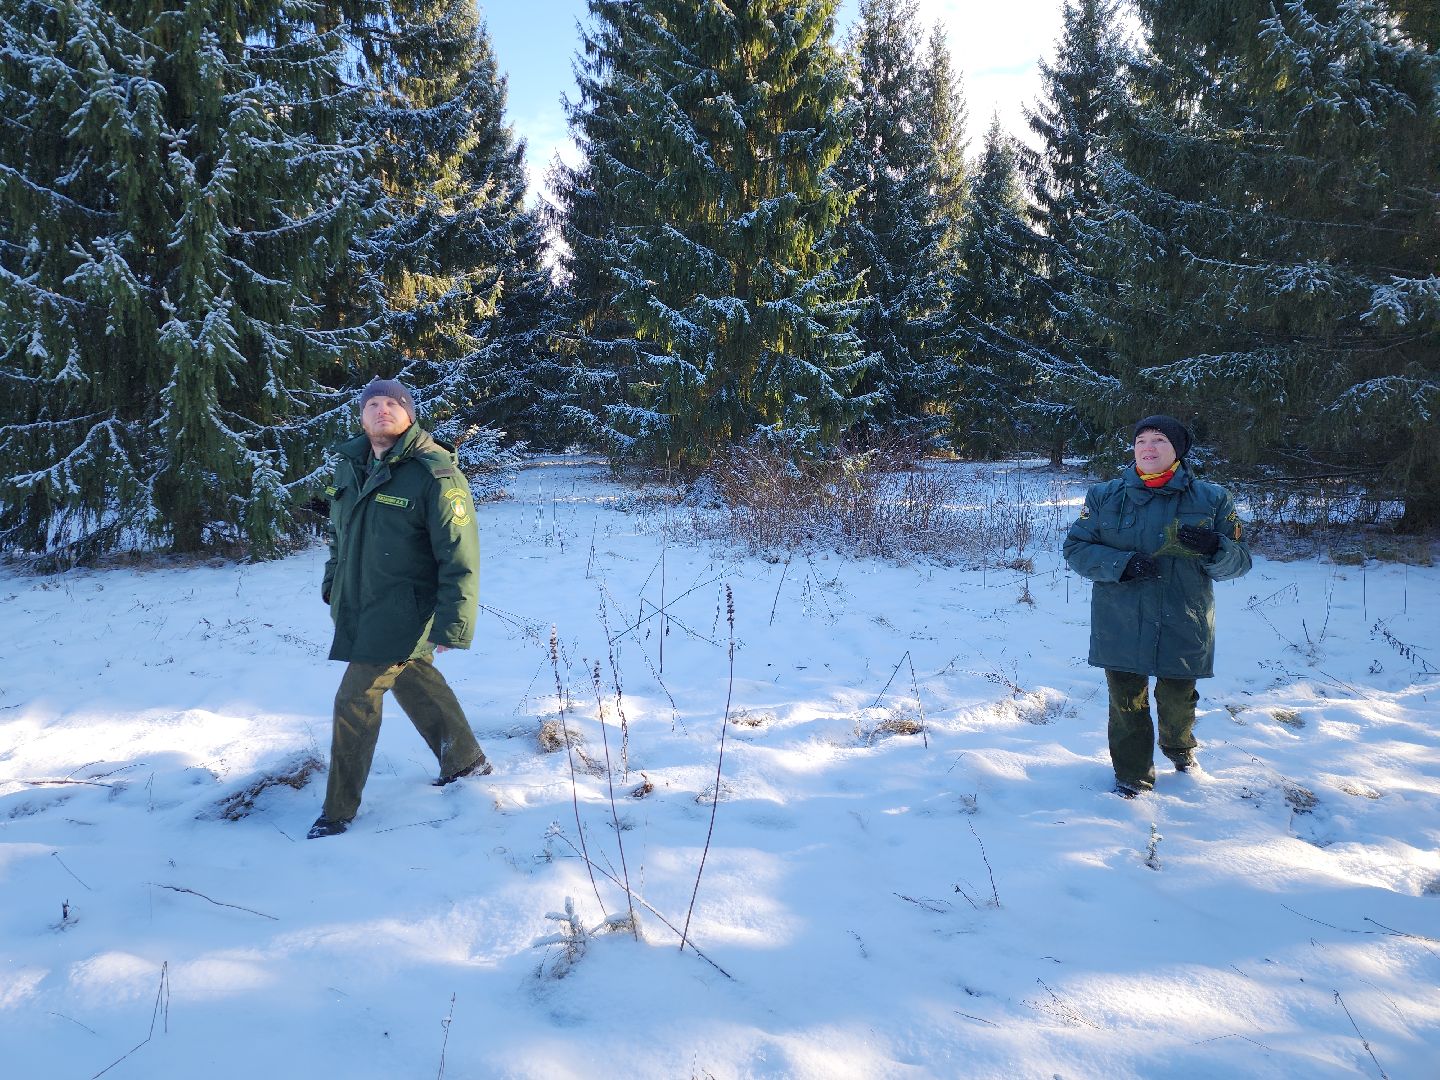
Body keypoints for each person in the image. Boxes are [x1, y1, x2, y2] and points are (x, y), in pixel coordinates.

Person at [308, 378, 490, 838]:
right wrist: (334, 580)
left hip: (405, 610)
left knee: (355, 700)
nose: (382, 410)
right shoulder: (352, 467)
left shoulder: (434, 472)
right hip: (363, 604)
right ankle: (465, 760)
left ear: (409, 414)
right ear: (361, 416)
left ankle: (337, 812)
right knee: (413, 677)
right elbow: (340, 534)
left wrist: (453, 622)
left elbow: (459, 554)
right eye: (372, 404)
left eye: (393, 403)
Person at [1063, 415, 1252, 798]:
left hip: (1184, 616)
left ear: (1177, 450)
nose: (1148, 448)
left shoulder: (1212, 499)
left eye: (1159, 440)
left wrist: (1216, 547)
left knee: (1178, 699)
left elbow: (1240, 561)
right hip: (1121, 619)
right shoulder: (1105, 496)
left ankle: (1179, 747)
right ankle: (1132, 777)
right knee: (1126, 703)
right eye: (1141, 441)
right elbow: (1076, 549)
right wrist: (1121, 564)